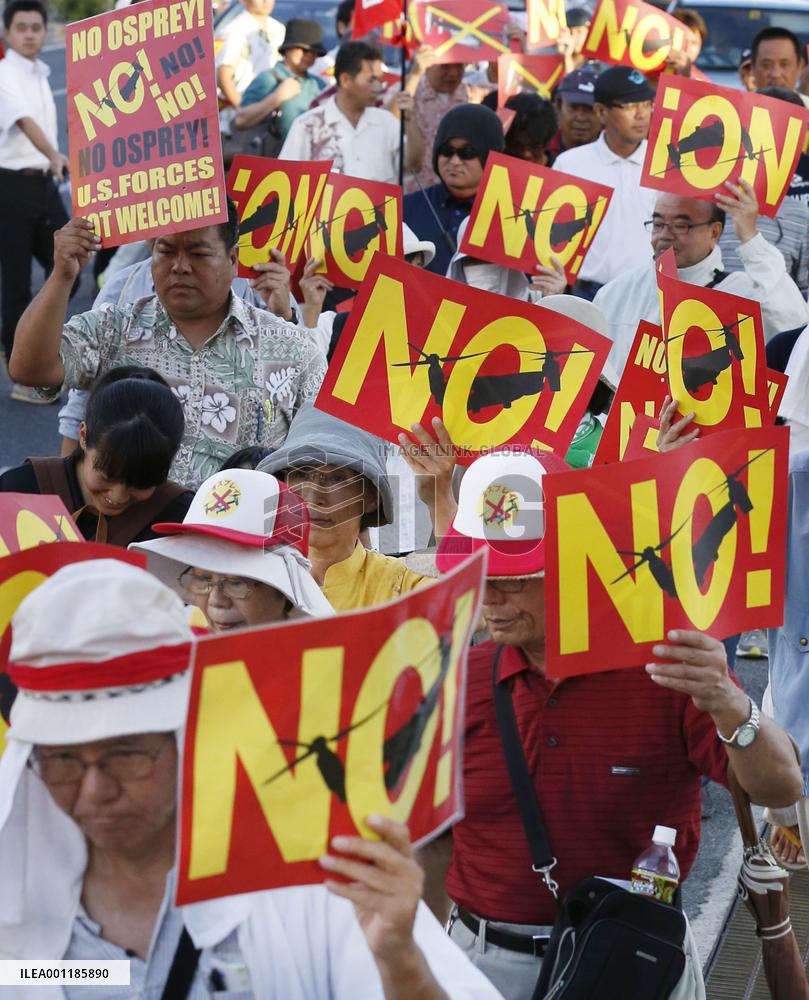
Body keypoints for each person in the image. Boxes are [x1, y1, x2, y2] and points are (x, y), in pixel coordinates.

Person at [0, 558, 501, 999]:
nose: (94, 792)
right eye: (61, 760)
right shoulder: (18, 888)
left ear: (189, 736)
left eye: (126, 754)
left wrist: (400, 963)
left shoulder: (313, 870)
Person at [420, 448, 803, 999]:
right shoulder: (452, 680)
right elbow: (433, 846)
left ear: (575, 563)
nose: (491, 598)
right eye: (480, 574)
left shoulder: (666, 669)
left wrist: (727, 701)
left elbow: (782, 785)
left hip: (637, 963)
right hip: (481, 968)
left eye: (516, 577)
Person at [8, 200, 328, 490]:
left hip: (245, 549)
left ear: (232, 260)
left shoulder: (292, 349)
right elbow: (29, 368)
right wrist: (62, 276)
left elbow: (328, 463)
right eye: (166, 251)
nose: (180, 266)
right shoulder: (115, 328)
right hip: (125, 548)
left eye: (198, 253)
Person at [593, 181, 809, 382]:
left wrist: (751, 239)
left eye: (680, 226)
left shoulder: (744, 294)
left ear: (714, 232)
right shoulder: (616, 293)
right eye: (658, 224)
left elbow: (792, 324)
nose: (664, 235)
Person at [259, 403, 427, 611]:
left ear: (371, 498)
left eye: (337, 478)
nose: (313, 497)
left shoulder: (403, 585)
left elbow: (465, 605)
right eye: (302, 474)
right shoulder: (253, 581)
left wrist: (441, 497)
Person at [0, 367, 192, 546]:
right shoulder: (21, 490)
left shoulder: (178, 520)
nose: (118, 496)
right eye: (107, 476)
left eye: (141, 484)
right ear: (83, 436)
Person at [131, 467, 334, 626]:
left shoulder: (318, 671)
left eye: (236, 583)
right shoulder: (181, 656)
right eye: (202, 579)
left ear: (284, 592)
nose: (216, 600)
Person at [0, 0, 70, 403]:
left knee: (67, 264)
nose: (29, 34)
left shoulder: (41, 72)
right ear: (8, 33)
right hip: (11, 187)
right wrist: (55, 156)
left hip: (44, 185)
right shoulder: (6, 72)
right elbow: (26, 123)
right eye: (21, 27)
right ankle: (23, 375)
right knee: (16, 281)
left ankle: (23, 337)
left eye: (36, 27)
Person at [553, 65, 657, 299]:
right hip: (586, 293)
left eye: (646, 104)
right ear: (600, 111)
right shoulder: (569, 165)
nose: (641, 114)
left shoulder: (666, 164)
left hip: (651, 294)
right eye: (630, 106)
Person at [279, 41, 420, 186]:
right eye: (371, 80)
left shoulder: (386, 122)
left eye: (380, 81)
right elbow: (287, 182)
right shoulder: (308, 126)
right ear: (345, 80)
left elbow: (413, 166)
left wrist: (410, 121)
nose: (378, 88)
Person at [718, 86, 809, 294]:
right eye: (766, 128)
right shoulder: (705, 201)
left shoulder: (802, 216)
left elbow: (802, 298)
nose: (773, 141)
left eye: (788, 133)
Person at [403, 103, 505, 276]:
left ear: (490, 156)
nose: (455, 161)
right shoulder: (405, 209)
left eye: (467, 152)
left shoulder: (508, 218)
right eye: (447, 150)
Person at [235, 19, 328, 141]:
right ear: (288, 48)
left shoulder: (319, 84)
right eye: (304, 50)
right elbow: (241, 119)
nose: (309, 55)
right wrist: (277, 97)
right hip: (275, 157)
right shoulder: (268, 78)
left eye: (315, 52)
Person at [395, 48, 471, 195]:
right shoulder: (410, 88)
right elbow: (387, 117)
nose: (453, 73)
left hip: (455, 199)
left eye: (459, 66)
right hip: (414, 195)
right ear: (428, 65)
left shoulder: (474, 96)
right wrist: (415, 75)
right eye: (445, 66)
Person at [215, 0, 284, 109]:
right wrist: (243, 109)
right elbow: (223, 75)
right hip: (237, 109)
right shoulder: (234, 30)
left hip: (269, 108)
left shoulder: (279, 30)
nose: (266, 1)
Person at [545, 65, 600, 163]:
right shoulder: (540, 149)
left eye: (589, 109)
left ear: (603, 112)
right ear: (558, 106)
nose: (580, 117)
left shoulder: (620, 154)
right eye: (573, 107)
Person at [749, 26, 807, 98]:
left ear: (799, 67)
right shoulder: (739, 108)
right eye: (766, 65)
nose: (776, 75)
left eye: (784, 65)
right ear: (752, 68)